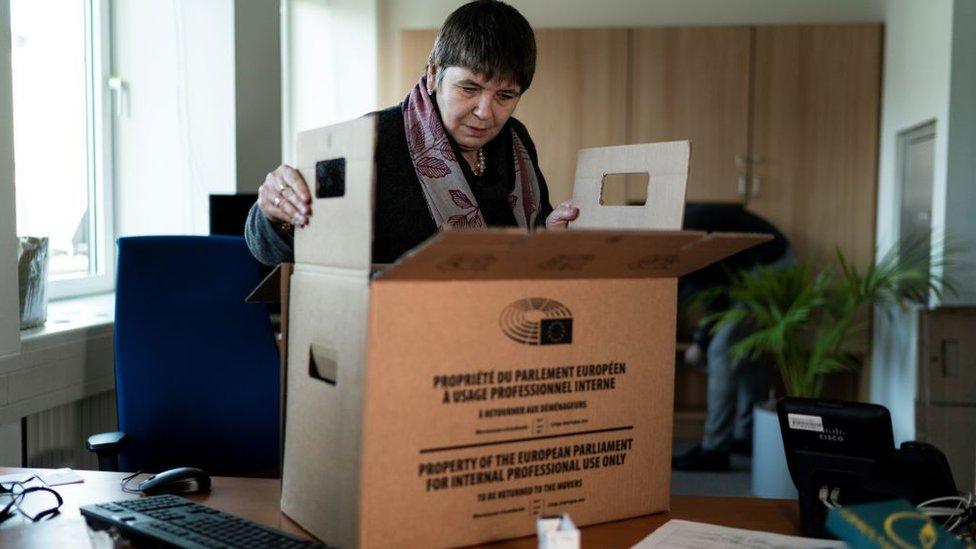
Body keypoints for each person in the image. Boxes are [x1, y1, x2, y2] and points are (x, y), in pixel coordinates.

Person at [245, 0, 579, 267]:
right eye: (469, 88)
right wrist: (274, 212)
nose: (485, 111)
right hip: (396, 332)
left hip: (495, 328)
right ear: (434, 75)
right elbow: (272, 251)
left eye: (505, 96)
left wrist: (548, 234)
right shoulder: (371, 141)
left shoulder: (516, 141)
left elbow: (525, 232)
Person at [672, 203, 794, 472]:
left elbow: (715, 294)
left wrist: (701, 342)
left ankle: (714, 449)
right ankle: (747, 435)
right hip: (752, 266)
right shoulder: (680, 225)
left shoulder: (691, 232)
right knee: (743, 352)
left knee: (722, 349)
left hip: (771, 264)